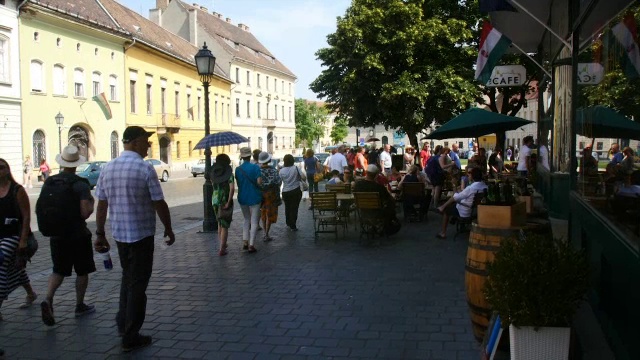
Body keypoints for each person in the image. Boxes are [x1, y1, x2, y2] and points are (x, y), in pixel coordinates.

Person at [94, 126, 175, 352]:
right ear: (135, 142)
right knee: (138, 284)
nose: (148, 146)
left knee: (128, 278)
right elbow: (158, 202)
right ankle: (131, 335)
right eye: (145, 141)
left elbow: (101, 204)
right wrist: (168, 228)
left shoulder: (107, 168)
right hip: (141, 235)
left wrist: (100, 233)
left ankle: (123, 321)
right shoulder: (144, 168)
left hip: (120, 235)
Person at [39, 145, 96, 326]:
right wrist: (92, 204)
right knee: (82, 270)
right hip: (78, 234)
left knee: (58, 270)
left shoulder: (50, 182)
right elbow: (85, 212)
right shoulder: (81, 183)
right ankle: (79, 305)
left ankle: (48, 298)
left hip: (56, 234)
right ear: (77, 163)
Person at [0, 158, 38, 321]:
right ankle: (31, 293)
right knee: (16, 267)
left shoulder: (17, 190)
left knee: (1, 266)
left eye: (1, 168)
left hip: (14, 235)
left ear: (7, 170)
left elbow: (26, 216)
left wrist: (22, 240)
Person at [434, 167, 487, 239]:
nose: (468, 175)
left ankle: (443, 233)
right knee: (454, 204)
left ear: (473, 176)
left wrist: (454, 185)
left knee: (447, 210)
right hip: (476, 211)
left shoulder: (471, 188)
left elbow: (456, 197)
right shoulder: (485, 186)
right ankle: (453, 218)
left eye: (469, 174)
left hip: (466, 211)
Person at [234, 147, 262, 253]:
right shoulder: (255, 168)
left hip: (242, 196)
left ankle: (245, 242)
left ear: (241, 157)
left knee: (246, 219)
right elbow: (259, 182)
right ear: (250, 156)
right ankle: (251, 244)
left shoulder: (238, 169)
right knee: (254, 221)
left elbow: (239, 183)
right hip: (255, 196)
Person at [211, 153, 235, 256]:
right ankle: (222, 248)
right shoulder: (229, 174)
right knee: (225, 225)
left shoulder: (214, 173)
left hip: (215, 200)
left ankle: (222, 244)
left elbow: (213, 185)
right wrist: (229, 201)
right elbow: (232, 188)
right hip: (224, 200)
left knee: (219, 223)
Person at [258, 151, 281, 242]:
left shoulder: (258, 171)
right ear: (269, 160)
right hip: (272, 195)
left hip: (261, 194)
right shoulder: (274, 170)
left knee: (263, 212)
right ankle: (267, 233)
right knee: (270, 213)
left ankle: (264, 232)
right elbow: (279, 182)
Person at [279, 154, 306, 231]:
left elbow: (279, 182)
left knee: (287, 207)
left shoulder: (281, 171)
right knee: (294, 208)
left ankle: (288, 222)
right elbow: (303, 177)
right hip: (295, 190)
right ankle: (293, 224)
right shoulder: (296, 168)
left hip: (285, 191)